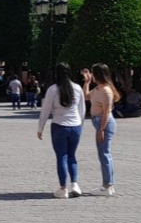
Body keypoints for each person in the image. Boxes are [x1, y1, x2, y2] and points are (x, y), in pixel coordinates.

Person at [37, 63, 86, 199]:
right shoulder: (77, 88)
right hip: (75, 125)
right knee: (72, 156)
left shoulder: (53, 89)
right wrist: (80, 125)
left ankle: (63, 188)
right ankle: (75, 184)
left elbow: (45, 110)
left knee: (62, 157)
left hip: (59, 124)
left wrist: (40, 128)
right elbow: (82, 109)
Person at [83, 63, 119, 197]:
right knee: (104, 154)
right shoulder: (98, 88)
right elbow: (86, 96)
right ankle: (109, 185)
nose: (91, 75)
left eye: (92, 73)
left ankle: (107, 186)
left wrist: (101, 129)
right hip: (99, 122)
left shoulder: (106, 90)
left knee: (104, 154)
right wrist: (86, 82)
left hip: (104, 123)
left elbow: (106, 112)